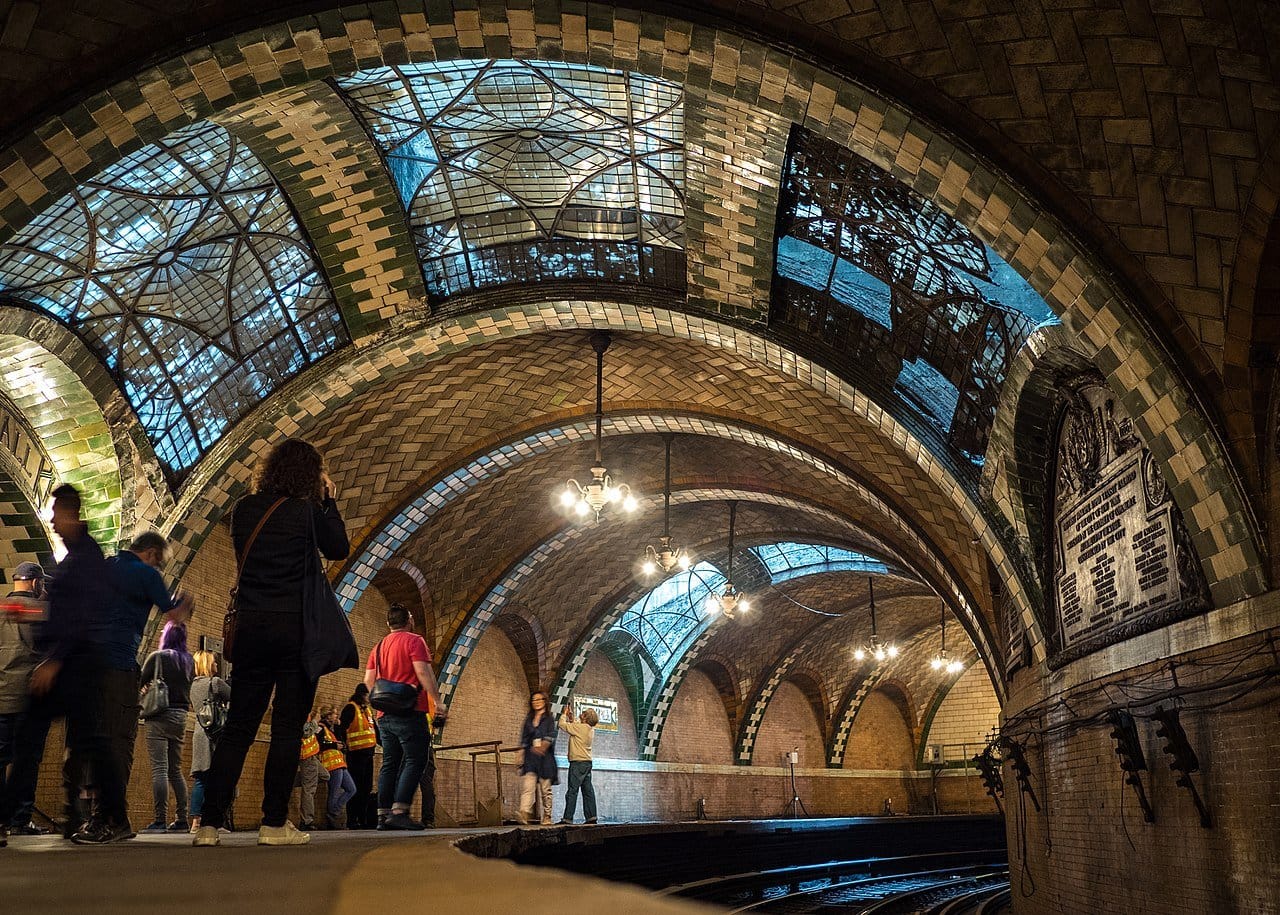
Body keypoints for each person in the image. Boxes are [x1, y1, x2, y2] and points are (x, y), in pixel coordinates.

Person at [193, 438, 350, 848]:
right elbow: (339, 547)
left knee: (239, 728)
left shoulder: (244, 511)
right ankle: (274, 822)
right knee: (286, 728)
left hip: (250, 631)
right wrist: (329, 501)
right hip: (296, 633)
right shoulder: (308, 512)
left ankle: (209, 824)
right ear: (310, 476)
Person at [2, 485, 129, 843]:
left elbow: (82, 615)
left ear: (71, 512)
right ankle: (104, 816)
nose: (53, 521)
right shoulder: (77, 557)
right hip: (74, 662)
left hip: (74, 665)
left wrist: (54, 659)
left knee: (38, 740)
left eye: (56, 512)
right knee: (87, 741)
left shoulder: (86, 558)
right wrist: (34, 617)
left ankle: (110, 816)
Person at [101, 530, 193, 825]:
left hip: (89, 664)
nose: (159, 569)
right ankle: (115, 818)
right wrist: (186, 603)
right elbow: (174, 613)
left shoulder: (106, 565)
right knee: (124, 744)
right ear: (152, 553)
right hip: (120, 664)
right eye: (160, 564)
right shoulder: (145, 573)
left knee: (90, 740)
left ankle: (82, 815)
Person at [363, 603, 444, 831]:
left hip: (384, 715)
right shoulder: (414, 640)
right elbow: (422, 672)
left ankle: (383, 815)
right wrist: (438, 702)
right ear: (409, 619)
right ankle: (399, 812)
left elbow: (368, 682)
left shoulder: (378, 647)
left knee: (390, 763)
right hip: (410, 711)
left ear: (389, 623)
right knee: (415, 760)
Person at [0, 561, 51, 843]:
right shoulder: (41, 611)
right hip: (29, 699)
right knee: (27, 761)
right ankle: (20, 819)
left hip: (1, 696)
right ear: (35, 583)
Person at [138, 620, 193, 832]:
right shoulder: (189, 661)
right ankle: (182, 820)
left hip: (159, 714)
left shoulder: (157, 657)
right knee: (175, 770)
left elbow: (140, 680)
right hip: (181, 717)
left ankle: (160, 820)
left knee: (159, 769)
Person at [188, 649, 229, 832]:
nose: (216, 665)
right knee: (218, 778)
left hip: (199, 731)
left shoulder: (193, 685)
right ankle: (215, 821)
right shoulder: (216, 683)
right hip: (215, 734)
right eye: (213, 662)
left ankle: (196, 822)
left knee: (200, 779)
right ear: (206, 664)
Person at [338, 683, 377, 828]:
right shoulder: (350, 708)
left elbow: (375, 731)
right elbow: (341, 727)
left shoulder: (367, 711)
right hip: (356, 755)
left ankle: (363, 819)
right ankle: (352, 819)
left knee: (366, 788)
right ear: (362, 695)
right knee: (356, 787)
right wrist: (344, 745)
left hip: (368, 755)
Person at [517, 691, 557, 826]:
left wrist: (543, 746)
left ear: (545, 701)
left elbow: (551, 735)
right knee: (528, 786)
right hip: (531, 758)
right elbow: (524, 738)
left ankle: (547, 816)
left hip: (545, 758)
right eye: (533, 700)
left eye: (539, 699)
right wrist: (521, 752)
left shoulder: (549, 719)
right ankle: (524, 812)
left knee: (545, 789)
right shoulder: (529, 718)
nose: (536, 702)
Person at [558, 702, 599, 825]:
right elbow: (575, 726)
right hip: (587, 762)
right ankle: (591, 817)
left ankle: (568, 818)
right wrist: (572, 717)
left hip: (577, 763)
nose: (581, 714)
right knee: (588, 791)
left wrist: (564, 715)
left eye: (583, 714)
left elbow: (562, 725)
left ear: (585, 718)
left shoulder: (580, 728)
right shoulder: (590, 729)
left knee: (572, 790)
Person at [318, 708, 355, 829]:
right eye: (334, 714)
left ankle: (334, 811)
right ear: (327, 716)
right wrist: (334, 745)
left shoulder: (333, 729)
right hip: (331, 764)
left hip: (340, 763)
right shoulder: (321, 727)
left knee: (351, 789)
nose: (336, 716)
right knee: (334, 790)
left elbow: (340, 741)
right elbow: (319, 744)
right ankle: (332, 816)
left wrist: (338, 727)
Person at [296, 710, 327, 831]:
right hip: (307, 756)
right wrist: (316, 721)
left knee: (325, 776)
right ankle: (307, 821)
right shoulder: (299, 710)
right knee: (309, 789)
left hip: (312, 755)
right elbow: (305, 732)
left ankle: (289, 782)